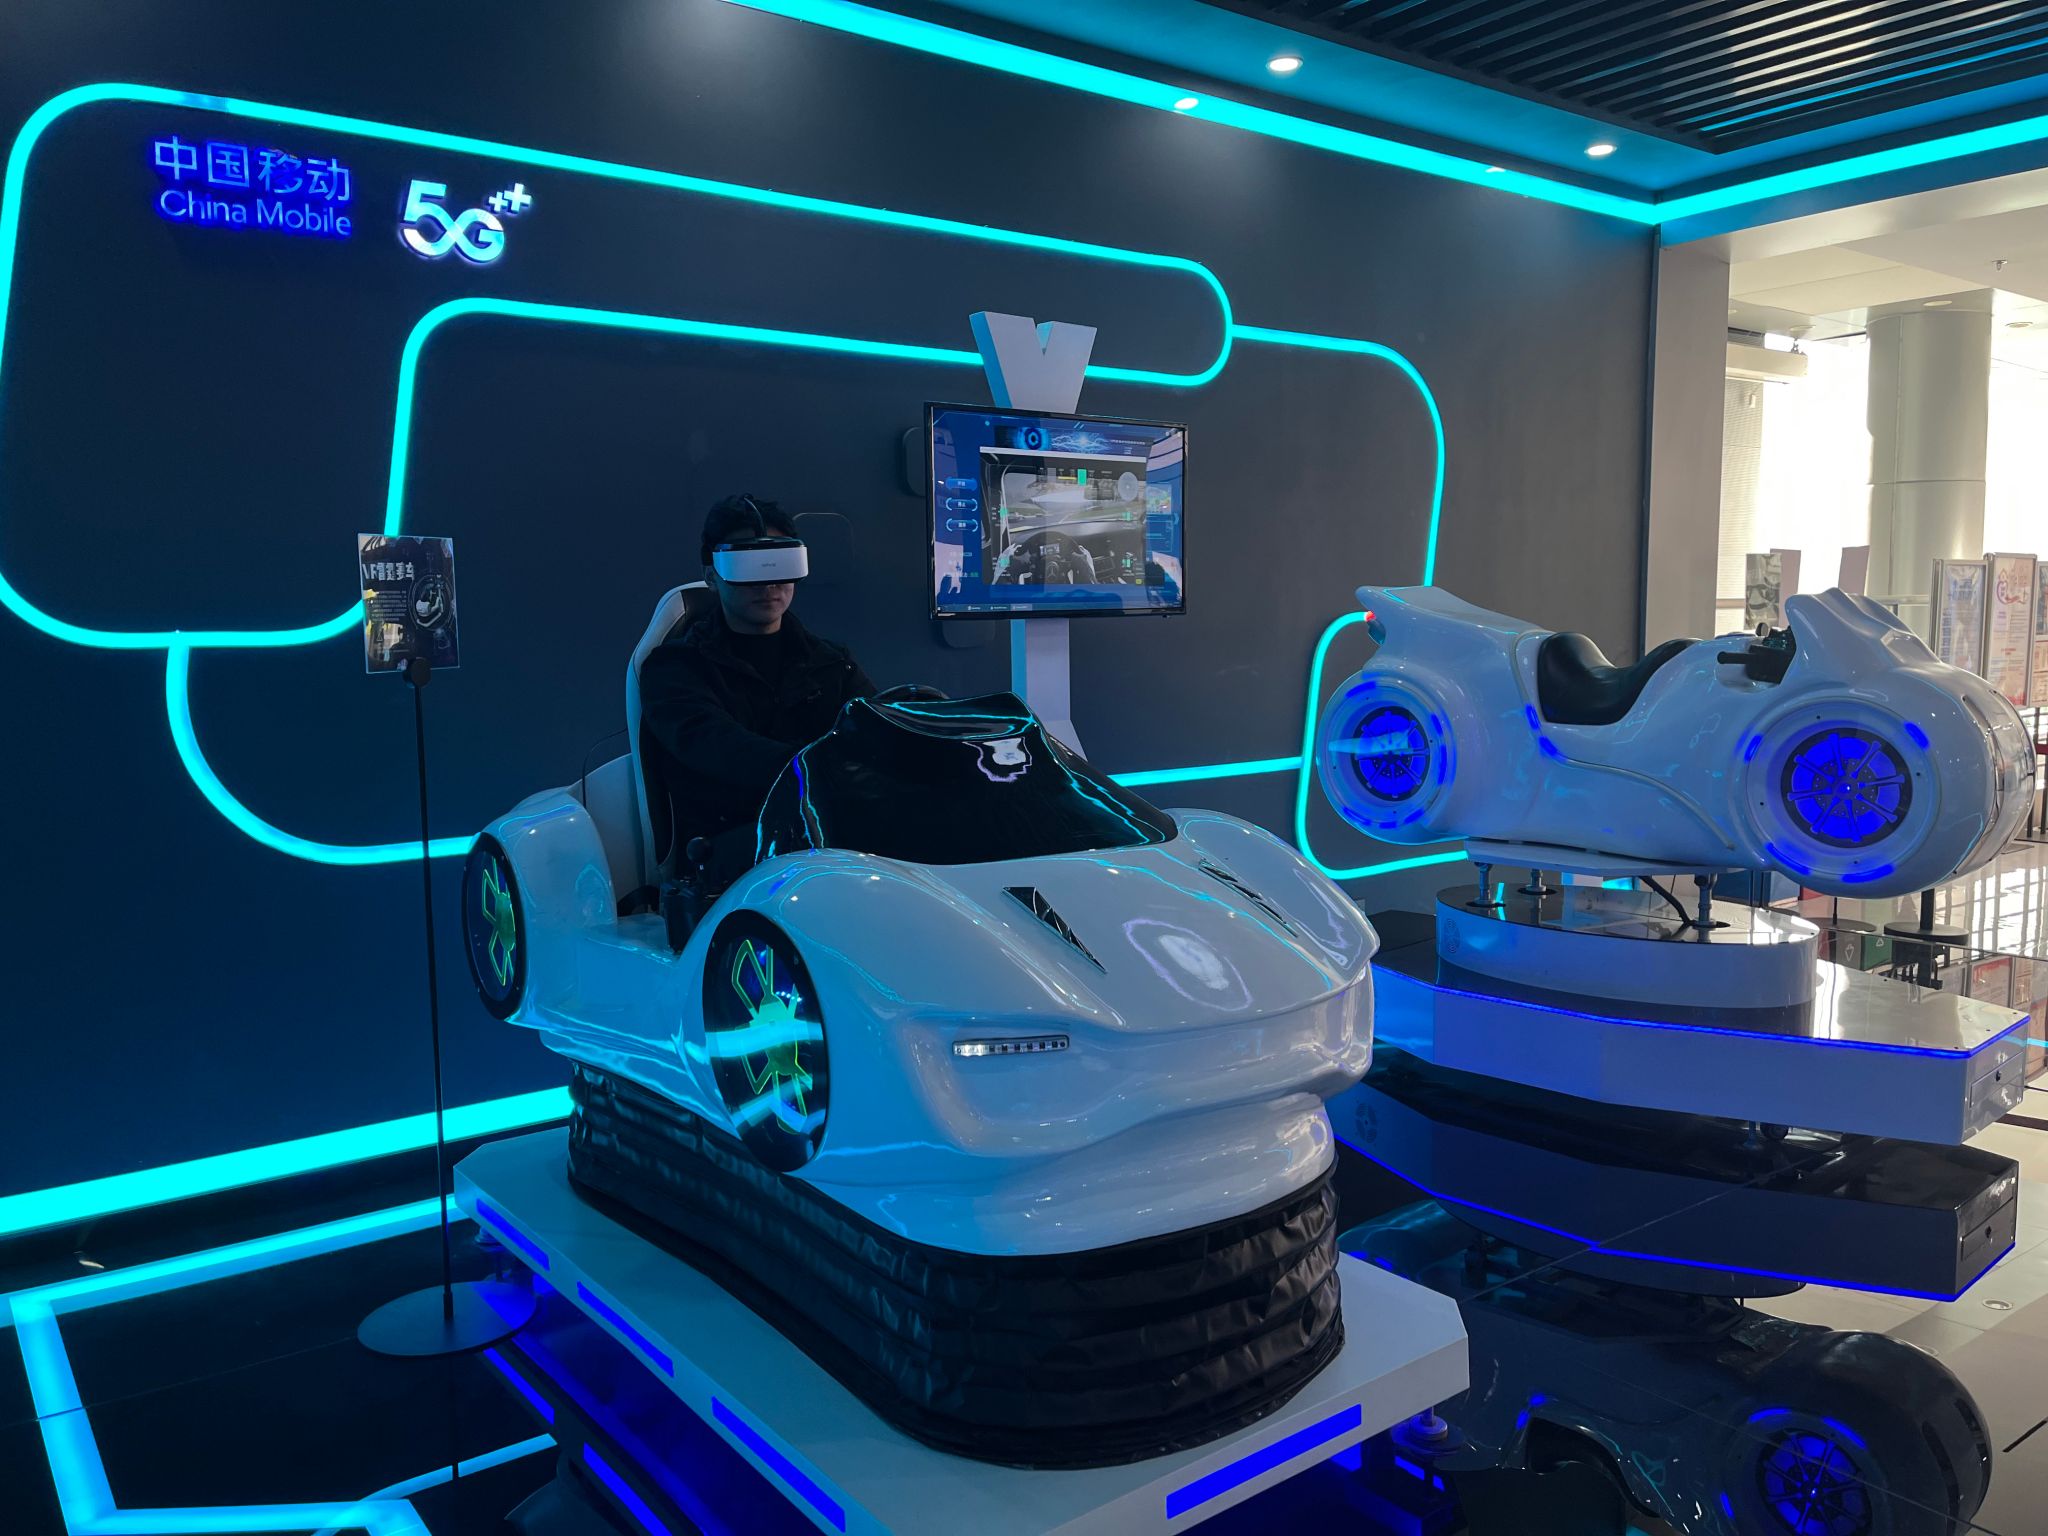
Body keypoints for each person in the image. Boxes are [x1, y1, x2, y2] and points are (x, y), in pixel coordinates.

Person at [639, 494, 873, 882]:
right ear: (712, 575)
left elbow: (873, 726)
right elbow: (724, 751)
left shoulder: (831, 662)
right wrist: (828, 771)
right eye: (749, 565)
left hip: (825, 828)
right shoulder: (674, 670)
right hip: (725, 852)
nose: (770, 583)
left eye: (781, 563)